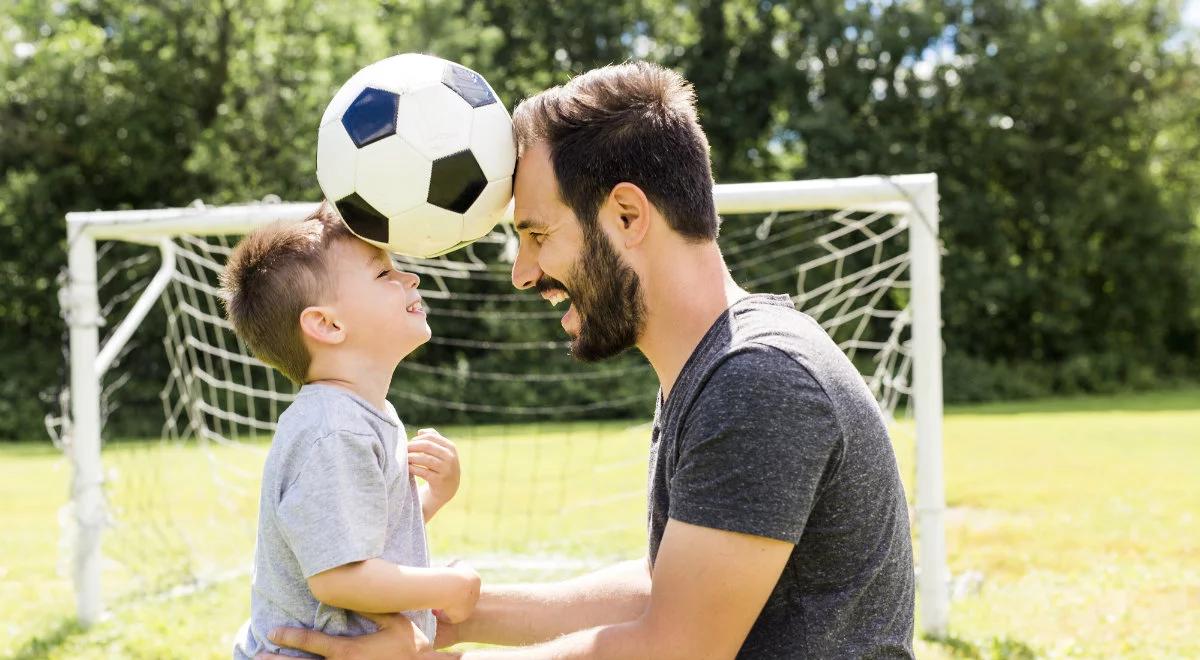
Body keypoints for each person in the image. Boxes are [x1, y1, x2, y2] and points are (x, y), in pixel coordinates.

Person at [264, 60, 915, 659]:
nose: (523, 274)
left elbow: (676, 645)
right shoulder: (720, 365)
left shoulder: (759, 378)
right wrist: (450, 615)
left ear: (628, 215)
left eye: (538, 236)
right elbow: (673, 586)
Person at [224, 205, 481, 659]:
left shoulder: (359, 414)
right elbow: (337, 576)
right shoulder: (335, 430)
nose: (410, 279)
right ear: (327, 324)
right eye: (384, 274)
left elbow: (355, 536)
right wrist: (447, 586)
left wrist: (433, 499)